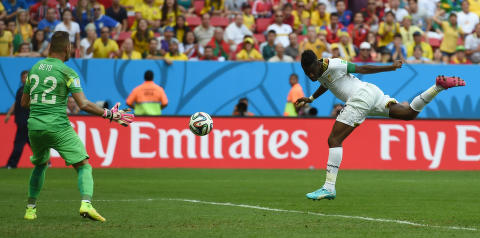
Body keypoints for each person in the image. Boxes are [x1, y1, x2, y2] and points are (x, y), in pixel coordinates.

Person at [295, 50, 465, 201]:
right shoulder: (320, 71)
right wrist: (311, 98)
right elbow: (326, 83)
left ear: (317, 63)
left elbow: (363, 69)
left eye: (311, 71)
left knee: (334, 140)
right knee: (409, 114)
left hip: (360, 96)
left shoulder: (335, 64)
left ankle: (329, 187)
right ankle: (437, 87)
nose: (311, 76)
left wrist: (391, 67)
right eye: (307, 73)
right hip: (371, 94)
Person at [20, 30, 134, 221]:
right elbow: (83, 104)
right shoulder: (68, 72)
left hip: (34, 127)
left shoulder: (35, 68)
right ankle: (86, 205)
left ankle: (30, 209)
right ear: (68, 48)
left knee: (40, 164)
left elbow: (24, 103)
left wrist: (43, 104)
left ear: (49, 48)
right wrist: (110, 114)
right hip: (58, 126)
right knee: (83, 166)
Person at [3, 70, 30, 169]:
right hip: (21, 120)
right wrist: (9, 114)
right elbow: (16, 103)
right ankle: (46, 162)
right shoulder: (20, 90)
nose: (24, 79)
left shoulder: (32, 90)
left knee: (18, 143)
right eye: (23, 77)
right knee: (33, 143)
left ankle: (12, 164)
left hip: (26, 121)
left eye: (26, 77)